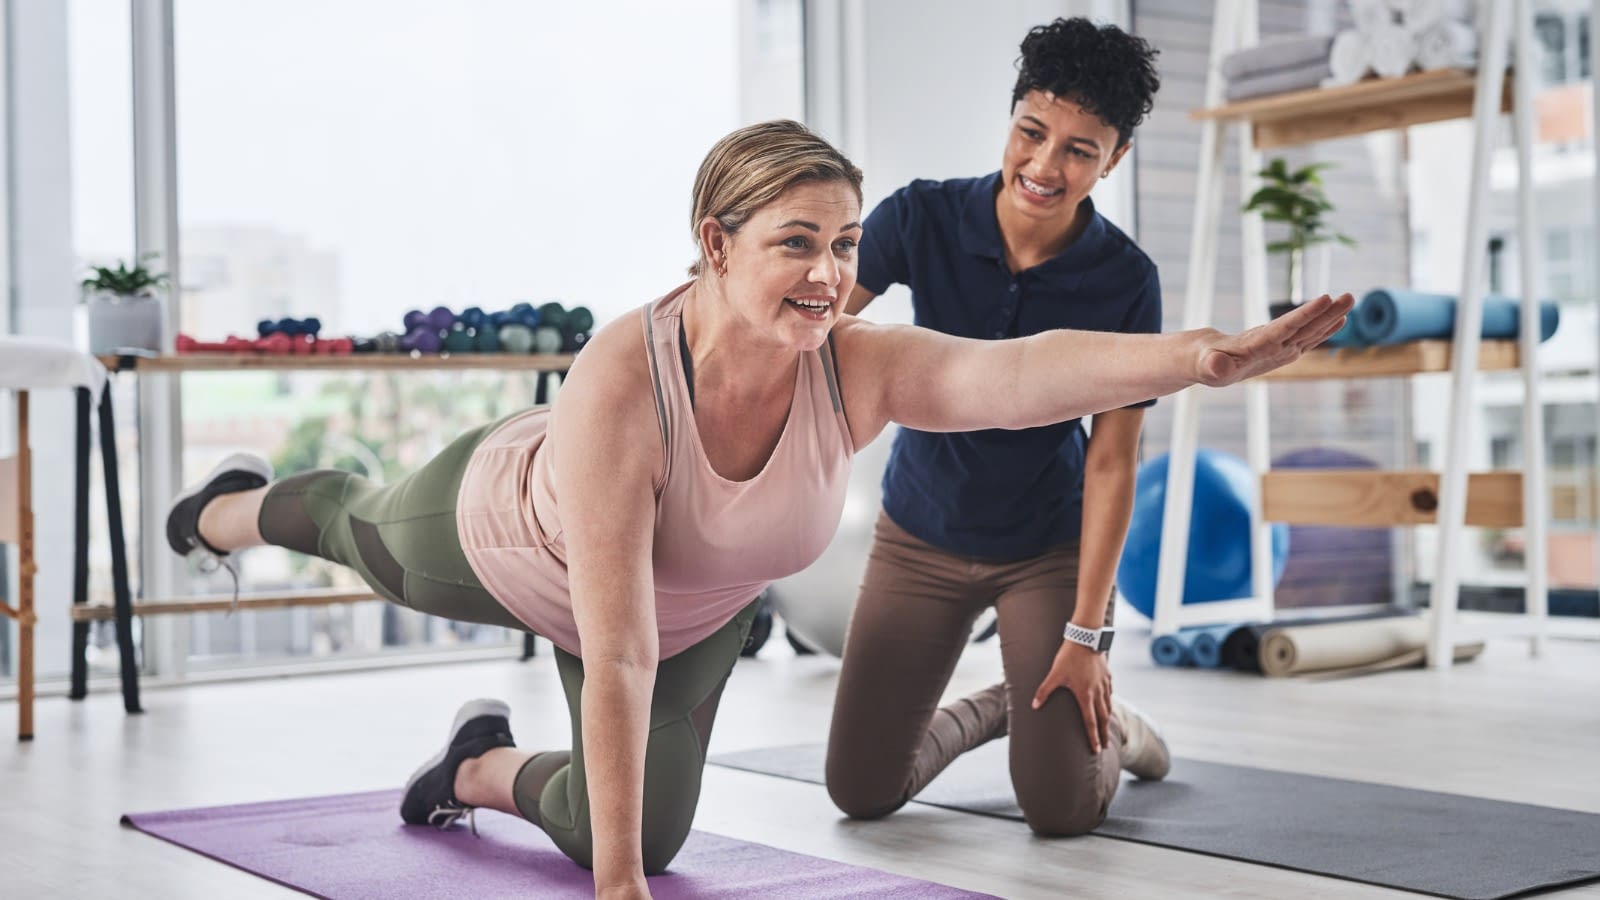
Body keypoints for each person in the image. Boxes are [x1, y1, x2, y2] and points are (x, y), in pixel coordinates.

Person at [165, 119, 1351, 900]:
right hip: (497, 539)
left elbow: (1019, 371)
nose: (830, 273)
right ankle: (230, 509)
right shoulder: (624, 376)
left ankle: (475, 769)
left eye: (843, 242)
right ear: (713, 244)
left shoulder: (852, 362)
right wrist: (619, 896)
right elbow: (613, 653)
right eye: (797, 243)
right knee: (351, 529)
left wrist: (1199, 359)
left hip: (686, 618)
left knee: (633, 826)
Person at [825, 18, 1175, 837]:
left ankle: (1117, 728)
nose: (1046, 167)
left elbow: (1113, 463)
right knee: (861, 791)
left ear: (1114, 159)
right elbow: (816, 336)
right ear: (1012, 116)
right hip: (920, 533)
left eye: (1081, 151)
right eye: (1032, 132)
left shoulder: (1127, 281)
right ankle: (1003, 705)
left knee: (1060, 809)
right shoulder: (921, 218)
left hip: (1045, 548)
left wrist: (1087, 636)